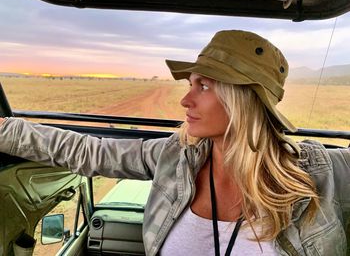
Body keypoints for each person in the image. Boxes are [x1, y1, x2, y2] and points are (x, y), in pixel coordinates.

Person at [0, 30, 349, 256]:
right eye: (191, 84)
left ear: (243, 99)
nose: (186, 101)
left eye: (205, 86)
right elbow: (90, 152)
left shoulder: (321, 172)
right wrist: (6, 130)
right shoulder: (175, 156)